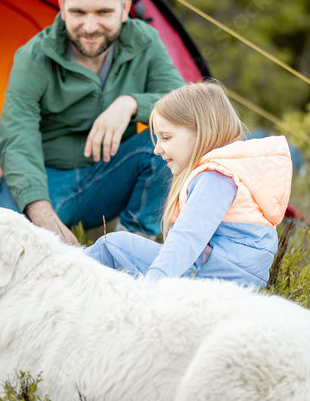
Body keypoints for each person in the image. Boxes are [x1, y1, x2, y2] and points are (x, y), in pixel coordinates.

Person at [0, 0, 185, 244]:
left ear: (124, 8)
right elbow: (17, 137)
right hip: (47, 181)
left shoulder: (146, 41)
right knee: (0, 242)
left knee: (171, 138)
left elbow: (184, 105)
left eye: (104, 13)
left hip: (110, 176)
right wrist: (41, 212)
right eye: (79, 12)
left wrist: (130, 103)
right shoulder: (33, 56)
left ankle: (131, 246)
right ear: (62, 5)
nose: (91, 27)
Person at [85, 82, 292, 288]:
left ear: (203, 132)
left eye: (166, 137)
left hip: (212, 275)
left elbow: (187, 238)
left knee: (110, 246)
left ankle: (60, 275)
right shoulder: (232, 172)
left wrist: (154, 284)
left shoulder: (214, 177)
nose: (157, 149)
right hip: (231, 276)